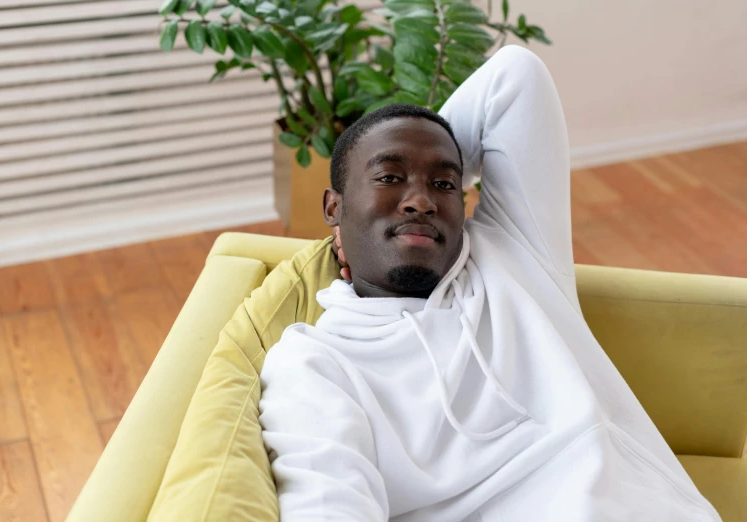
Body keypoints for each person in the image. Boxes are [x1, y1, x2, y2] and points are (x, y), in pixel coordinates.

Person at [258, 45, 721, 521]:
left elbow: (515, 77)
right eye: (390, 177)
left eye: (444, 185)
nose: (420, 200)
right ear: (333, 207)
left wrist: (404, 156)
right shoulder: (314, 364)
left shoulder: (513, 251)